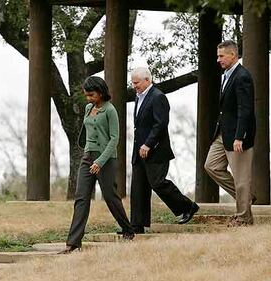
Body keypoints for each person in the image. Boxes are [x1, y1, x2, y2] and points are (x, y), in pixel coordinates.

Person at [60, 76, 135, 254]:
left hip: (105, 158)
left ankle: (128, 230)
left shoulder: (110, 110)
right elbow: (87, 132)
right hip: (87, 156)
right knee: (81, 198)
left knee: (110, 196)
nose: (89, 99)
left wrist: (100, 162)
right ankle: (73, 243)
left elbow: (114, 139)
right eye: (86, 95)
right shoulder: (88, 108)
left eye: (91, 95)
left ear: (100, 93)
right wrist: (88, 154)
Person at [130, 67, 200, 233]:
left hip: (155, 150)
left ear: (147, 80)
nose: (134, 86)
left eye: (136, 83)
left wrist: (148, 144)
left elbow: (160, 124)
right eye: (132, 83)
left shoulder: (158, 97)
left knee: (158, 183)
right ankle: (136, 225)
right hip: (138, 151)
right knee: (138, 187)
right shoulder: (138, 97)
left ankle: (188, 206)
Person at [204, 40, 256, 227]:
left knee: (242, 179)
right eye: (218, 56)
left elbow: (246, 109)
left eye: (221, 56)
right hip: (223, 133)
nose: (218, 59)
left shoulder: (242, 76)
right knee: (211, 166)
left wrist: (239, 136)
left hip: (238, 136)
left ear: (233, 55)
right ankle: (246, 197)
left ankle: (243, 218)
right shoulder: (227, 75)